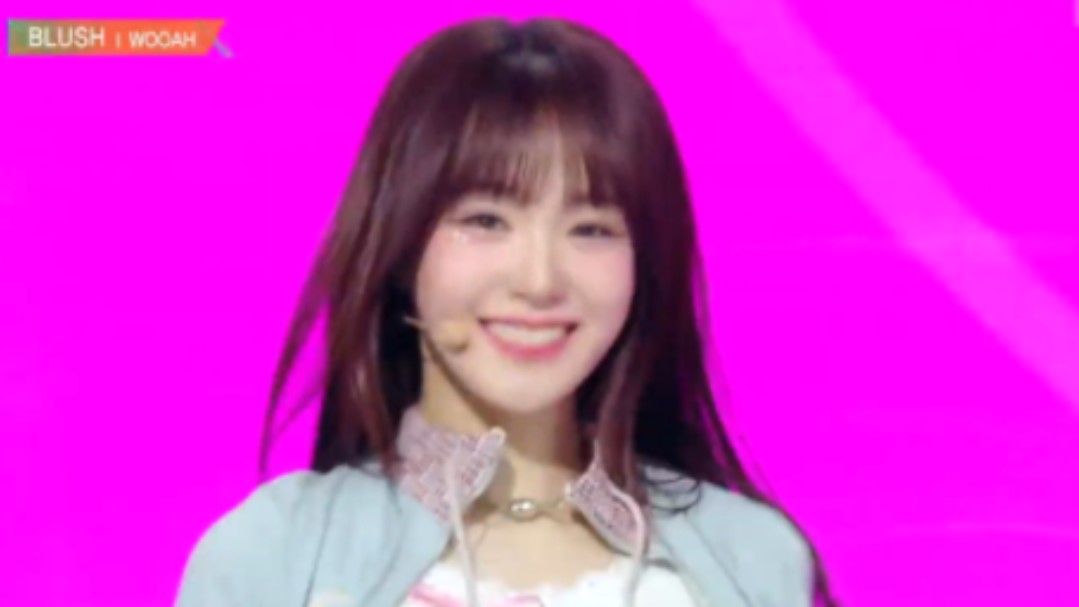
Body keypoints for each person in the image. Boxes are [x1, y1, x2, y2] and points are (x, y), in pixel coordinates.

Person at [175, 16, 838, 607]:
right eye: (485, 220)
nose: (539, 280)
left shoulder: (753, 559)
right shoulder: (276, 555)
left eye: (591, 229)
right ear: (402, 249)